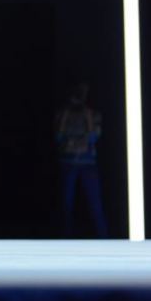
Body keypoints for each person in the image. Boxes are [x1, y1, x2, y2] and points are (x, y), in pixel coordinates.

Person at [55, 81, 108, 238]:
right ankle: (66, 239)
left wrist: (87, 116)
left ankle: (104, 238)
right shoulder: (62, 114)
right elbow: (58, 137)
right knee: (66, 205)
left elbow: (93, 138)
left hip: (87, 163)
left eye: (83, 92)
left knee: (95, 204)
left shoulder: (93, 114)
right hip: (68, 162)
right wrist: (65, 116)